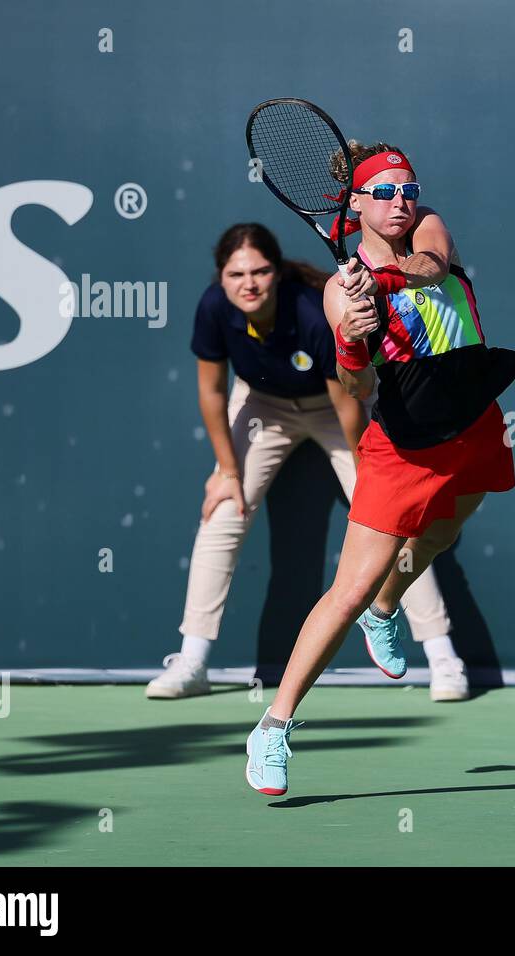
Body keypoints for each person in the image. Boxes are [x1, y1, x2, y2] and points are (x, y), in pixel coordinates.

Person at [244, 142, 515, 795]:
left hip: (474, 417)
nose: (403, 202)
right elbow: (355, 379)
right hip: (406, 439)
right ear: (357, 204)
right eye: (387, 193)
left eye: (409, 189)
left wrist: (388, 283)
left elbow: (430, 266)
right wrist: (352, 332)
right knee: (349, 589)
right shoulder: (343, 288)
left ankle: (389, 608)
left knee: (446, 531)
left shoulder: (427, 229)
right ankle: (273, 728)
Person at [148, 223, 471, 704]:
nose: (249, 283)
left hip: (337, 409)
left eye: (260, 271)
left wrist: (372, 475)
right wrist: (227, 471)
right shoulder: (214, 307)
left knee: (391, 524)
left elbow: (347, 401)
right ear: (222, 278)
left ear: (277, 273)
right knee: (222, 513)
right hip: (263, 407)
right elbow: (213, 391)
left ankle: (442, 655)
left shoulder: (312, 312)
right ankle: (192, 660)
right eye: (237, 274)